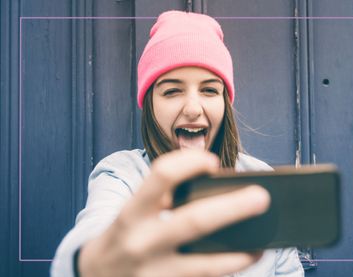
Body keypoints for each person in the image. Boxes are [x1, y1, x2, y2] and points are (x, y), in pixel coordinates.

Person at [51, 10, 304, 277]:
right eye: (172, 91)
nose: (193, 109)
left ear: (225, 103)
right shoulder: (121, 174)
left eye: (209, 90)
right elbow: (93, 233)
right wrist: (93, 264)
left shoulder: (261, 180)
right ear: (150, 105)